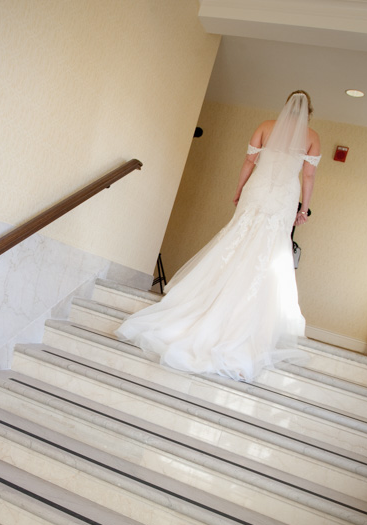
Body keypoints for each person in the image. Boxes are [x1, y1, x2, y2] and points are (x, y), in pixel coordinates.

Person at [115, 91, 320, 381]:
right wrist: (305, 208)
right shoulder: (312, 137)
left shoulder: (266, 126)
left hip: (258, 190)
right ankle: (246, 319)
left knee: (237, 239)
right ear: (308, 112)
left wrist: (239, 190)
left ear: (286, 107)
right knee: (271, 251)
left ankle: (209, 303)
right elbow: (308, 176)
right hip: (284, 198)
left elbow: (249, 162)